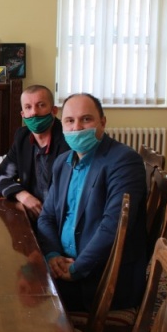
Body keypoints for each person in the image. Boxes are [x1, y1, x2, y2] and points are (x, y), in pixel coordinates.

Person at [37, 93, 147, 312]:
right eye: (69, 120)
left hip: (102, 276)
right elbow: (47, 217)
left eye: (86, 119)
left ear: (102, 122)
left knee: (26, 297)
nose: (77, 127)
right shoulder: (62, 162)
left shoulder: (124, 161)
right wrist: (53, 255)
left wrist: (77, 268)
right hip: (64, 264)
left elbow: (113, 226)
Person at [0, 85, 70, 223]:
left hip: (60, 219)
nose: (34, 112)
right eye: (28, 107)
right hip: (32, 215)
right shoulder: (22, 137)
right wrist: (22, 195)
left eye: (41, 105)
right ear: (23, 114)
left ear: (54, 110)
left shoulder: (68, 140)